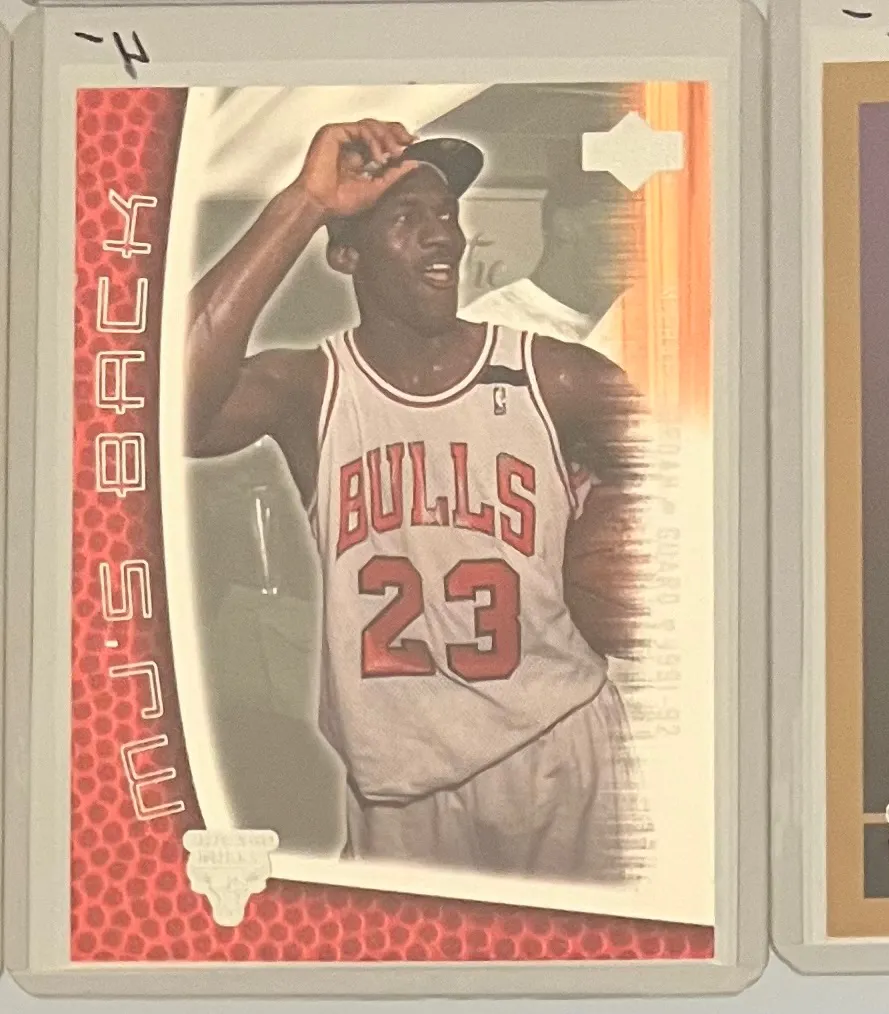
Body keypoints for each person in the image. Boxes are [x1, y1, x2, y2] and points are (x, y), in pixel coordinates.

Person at [184, 119, 642, 880]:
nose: (442, 236)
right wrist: (305, 202)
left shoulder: (559, 378)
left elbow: (696, 494)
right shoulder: (310, 388)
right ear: (346, 255)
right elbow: (152, 406)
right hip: (397, 778)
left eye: (447, 216)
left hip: (558, 743)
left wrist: (626, 556)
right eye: (406, 218)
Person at [459, 168, 635, 366]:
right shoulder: (488, 324)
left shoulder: (628, 323)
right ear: (566, 226)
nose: (633, 244)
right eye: (619, 226)